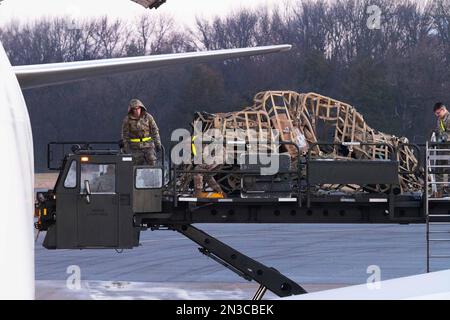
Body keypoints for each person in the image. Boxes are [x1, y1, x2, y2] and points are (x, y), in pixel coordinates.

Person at [121, 99, 161, 166]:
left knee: (152, 161)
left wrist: (157, 143)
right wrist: (126, 148)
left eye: (138, 108)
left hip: (148, 146)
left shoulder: (148, 117)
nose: (137, 111)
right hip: (135, 147)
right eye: (134, 109)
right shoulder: (127, 120)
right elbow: (125, 135)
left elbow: (155, 130)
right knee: (136, 165)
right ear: (131, 110)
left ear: (141, 108)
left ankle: (152, 176)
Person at [433, 102, 450, 197]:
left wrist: (445, 138)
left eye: (438, 113)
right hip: (441, 148)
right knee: (438, 169)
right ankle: (439, 192)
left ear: (443, 109)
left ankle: (447, 190)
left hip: (448, 148)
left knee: (448, 169)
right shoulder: (439, 120)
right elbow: (439, 130)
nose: (437, 115)